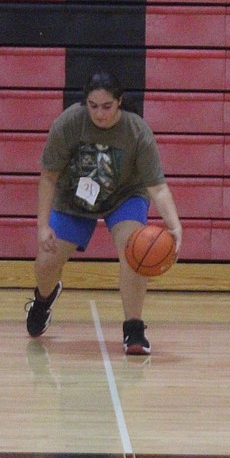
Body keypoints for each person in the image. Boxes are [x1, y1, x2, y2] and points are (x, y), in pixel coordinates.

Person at [26, 71, 183, 355]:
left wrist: (174, 225)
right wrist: (42, 225)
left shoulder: (137, 131)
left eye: (107, 106)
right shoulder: (69, 124)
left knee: (134, 250)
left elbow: (157, 187)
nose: (99, 113)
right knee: (46, 260)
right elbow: (48, 176)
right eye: (93, 105)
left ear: (120, 102)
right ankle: (43, 299)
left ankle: (134, 328)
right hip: (74, 198)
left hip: (124, 195)